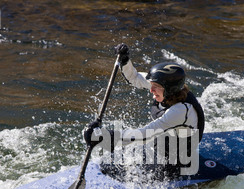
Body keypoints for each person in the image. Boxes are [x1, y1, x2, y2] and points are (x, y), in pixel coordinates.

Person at [84, 43, 205, 181]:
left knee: (127, 175)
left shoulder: (180, 111)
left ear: (170, 89)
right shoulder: (165, 87)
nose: (151, 90)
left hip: (176, 163)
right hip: (159, 148)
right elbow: (134, 78)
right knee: (108, 163)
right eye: (152, 85)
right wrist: (125, 61)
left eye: (156, 87)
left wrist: (106, 136)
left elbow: (145, 134)